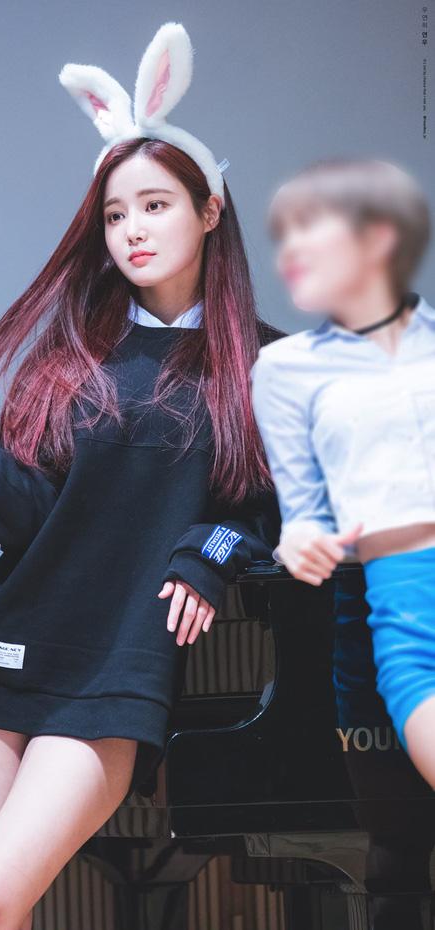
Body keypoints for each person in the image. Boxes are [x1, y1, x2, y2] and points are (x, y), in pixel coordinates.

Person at [0, 22, 281, 930]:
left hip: (116, 669)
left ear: (210, 210)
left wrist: (209, 551)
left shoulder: (264, 367)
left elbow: (270, 507)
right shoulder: (75, 353)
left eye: (155, 204)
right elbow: (25, 517)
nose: (133, 230)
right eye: (115, 215)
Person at [249, 156, 435, 790]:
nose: (291, 251)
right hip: (380, 603)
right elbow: (299, 513)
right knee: (391, 827)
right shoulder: (283, 371)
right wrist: (301, 540)